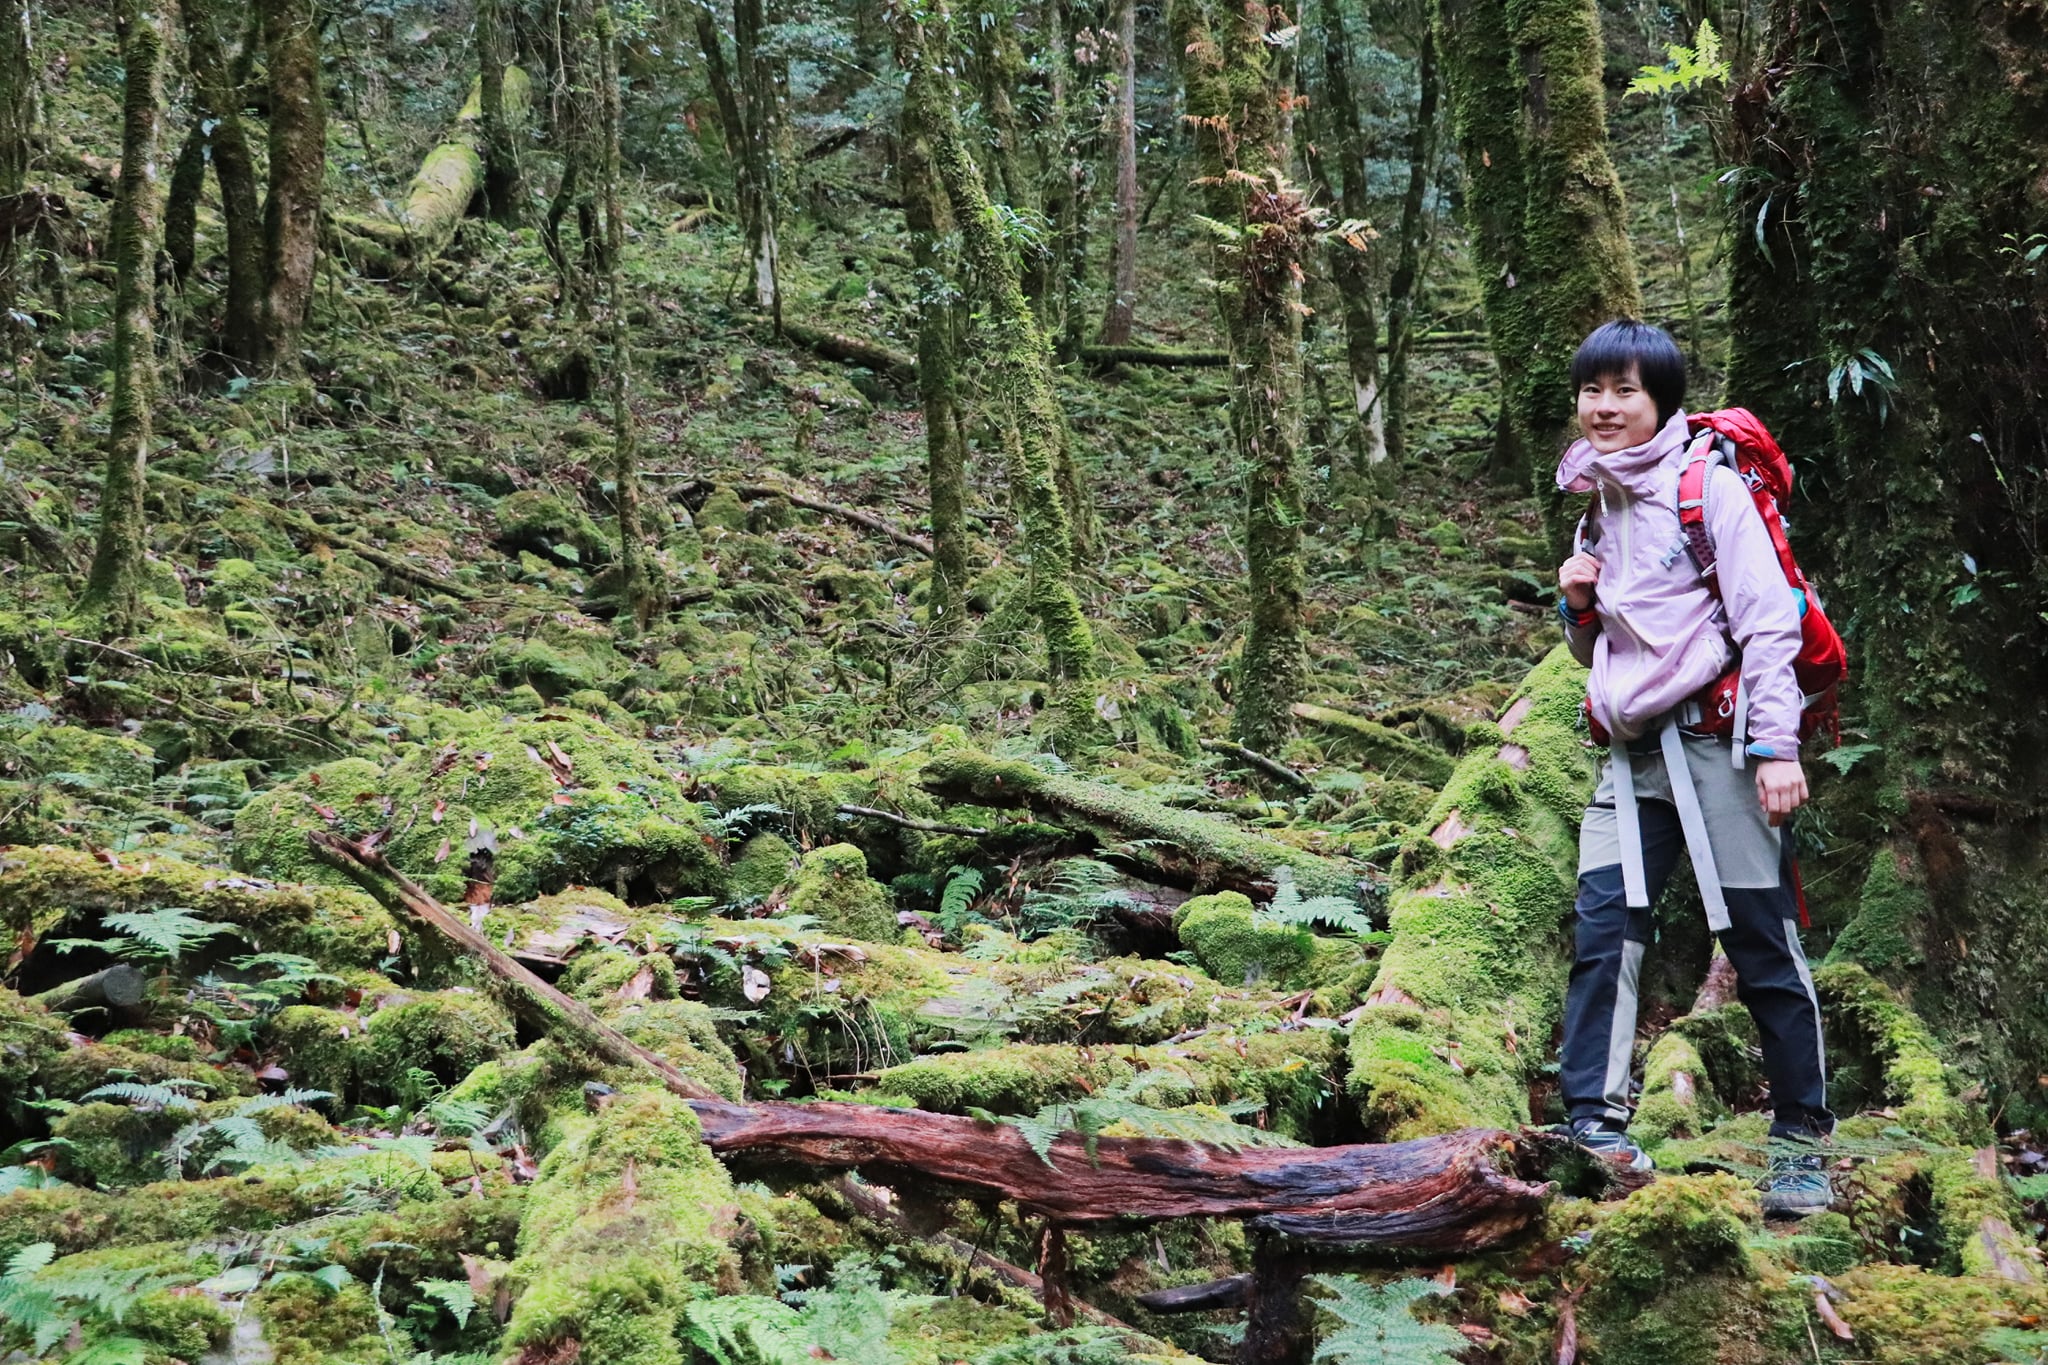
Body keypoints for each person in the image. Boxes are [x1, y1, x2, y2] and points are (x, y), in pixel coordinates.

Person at [1553, 319, 1833, 1214]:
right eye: (1593, 390)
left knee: (1760, 940)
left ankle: (1801, 1144)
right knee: (1605, 933)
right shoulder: (1597, 500)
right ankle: (1592, 1129)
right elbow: (1600, 653)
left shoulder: (1704, 487)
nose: (1604, 407)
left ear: (1661, 400)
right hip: (1629, 757)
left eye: (1624, 391)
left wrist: (1778, 748)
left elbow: (1768, 621)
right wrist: (1578, 609)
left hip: (1722, 746)